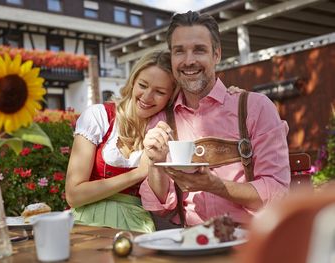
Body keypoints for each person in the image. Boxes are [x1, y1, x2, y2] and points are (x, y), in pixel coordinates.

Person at [140, 11, 290, 226]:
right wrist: (155, 162)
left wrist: (215, 185)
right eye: (179, 51)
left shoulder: (254, 108)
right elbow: (161, 208)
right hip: (191, 242)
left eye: (199, 50)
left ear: (216, 55)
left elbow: (276, 192)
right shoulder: (162, 120)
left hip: (249, 240)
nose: (189, 61)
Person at [65, 50, 179, 233]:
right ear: (133, 82)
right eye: (143, 85)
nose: (147, 97)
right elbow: (73, 195)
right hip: (88, 223)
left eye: (159, 92)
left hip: (138, 225)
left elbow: (161, 203)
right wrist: (139, 173)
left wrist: (156, 162)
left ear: (170, 97)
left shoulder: (164, 130)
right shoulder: (98, 117)